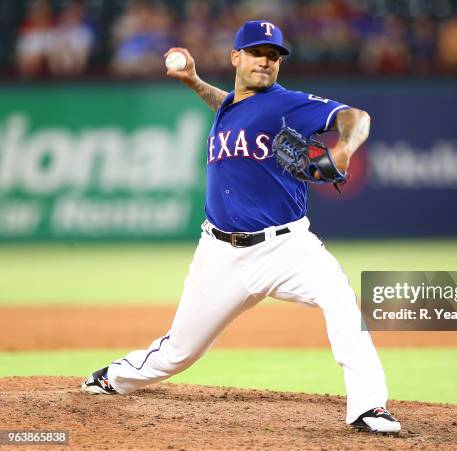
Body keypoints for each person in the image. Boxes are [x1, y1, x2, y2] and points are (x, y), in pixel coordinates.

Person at [81, 19, 400, 434]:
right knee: (180, 351)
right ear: (236, 58)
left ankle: (369, 406)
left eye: (273, 56)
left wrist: (344, 148)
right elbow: (228, 104)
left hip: (287, 248)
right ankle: (115, 377)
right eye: (257, 53)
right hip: (219, 254)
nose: (265, 62)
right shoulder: (233, 104)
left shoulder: (288, 104)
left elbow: (356, 116)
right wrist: (193, 81)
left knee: (340, 299)